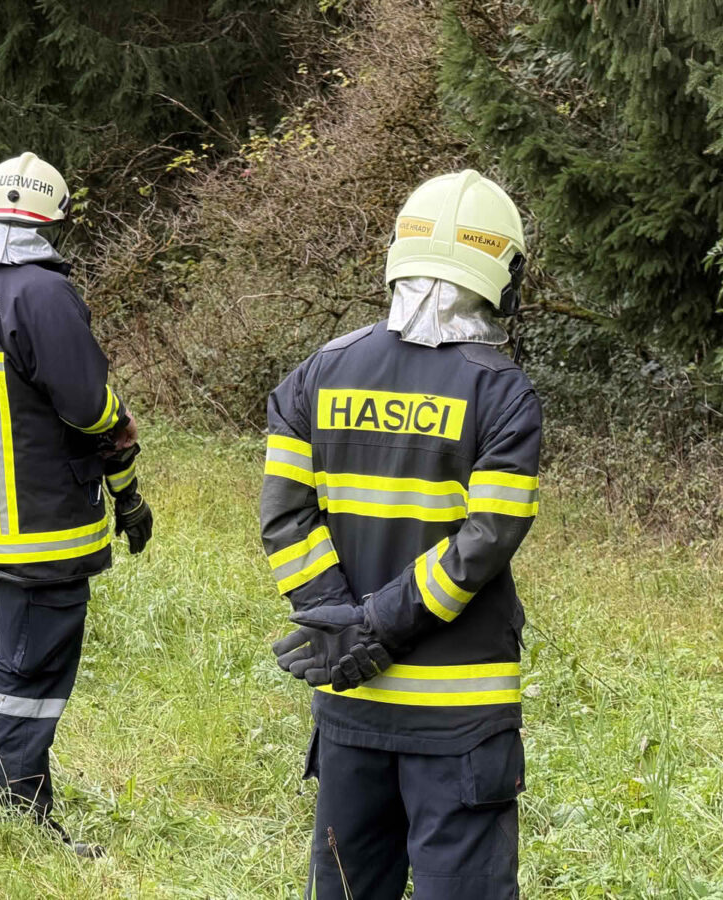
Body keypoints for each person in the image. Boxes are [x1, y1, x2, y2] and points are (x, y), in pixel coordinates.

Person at [262, 170, 542, 900]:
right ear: (501, 272)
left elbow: (285, 518)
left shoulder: (318, 374)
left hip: (348, 702)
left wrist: (343, 626)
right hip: (460, 717)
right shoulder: (501, 390)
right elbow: (486, 538)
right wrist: (378, 626)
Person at [0, 151, 153, 856]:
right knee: (29, 680)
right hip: (45, 524)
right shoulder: (45, 296)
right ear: (53, 218)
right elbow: (87, 407)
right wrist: (120, 430)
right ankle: (20, 832)